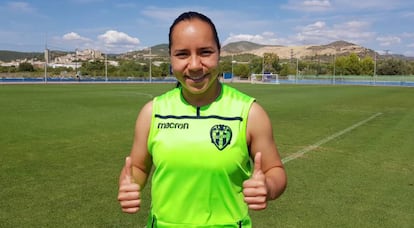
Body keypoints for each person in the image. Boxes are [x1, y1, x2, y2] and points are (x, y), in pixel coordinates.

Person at [117, 11, 287, 227]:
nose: (195, 65)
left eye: (205, 52)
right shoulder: (152, 113)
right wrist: (130, 183)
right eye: (182, 54)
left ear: (219, 53)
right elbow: (139, 167)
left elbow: (275, 171)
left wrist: (269, 187)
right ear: (170, 57)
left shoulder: (249, 112)